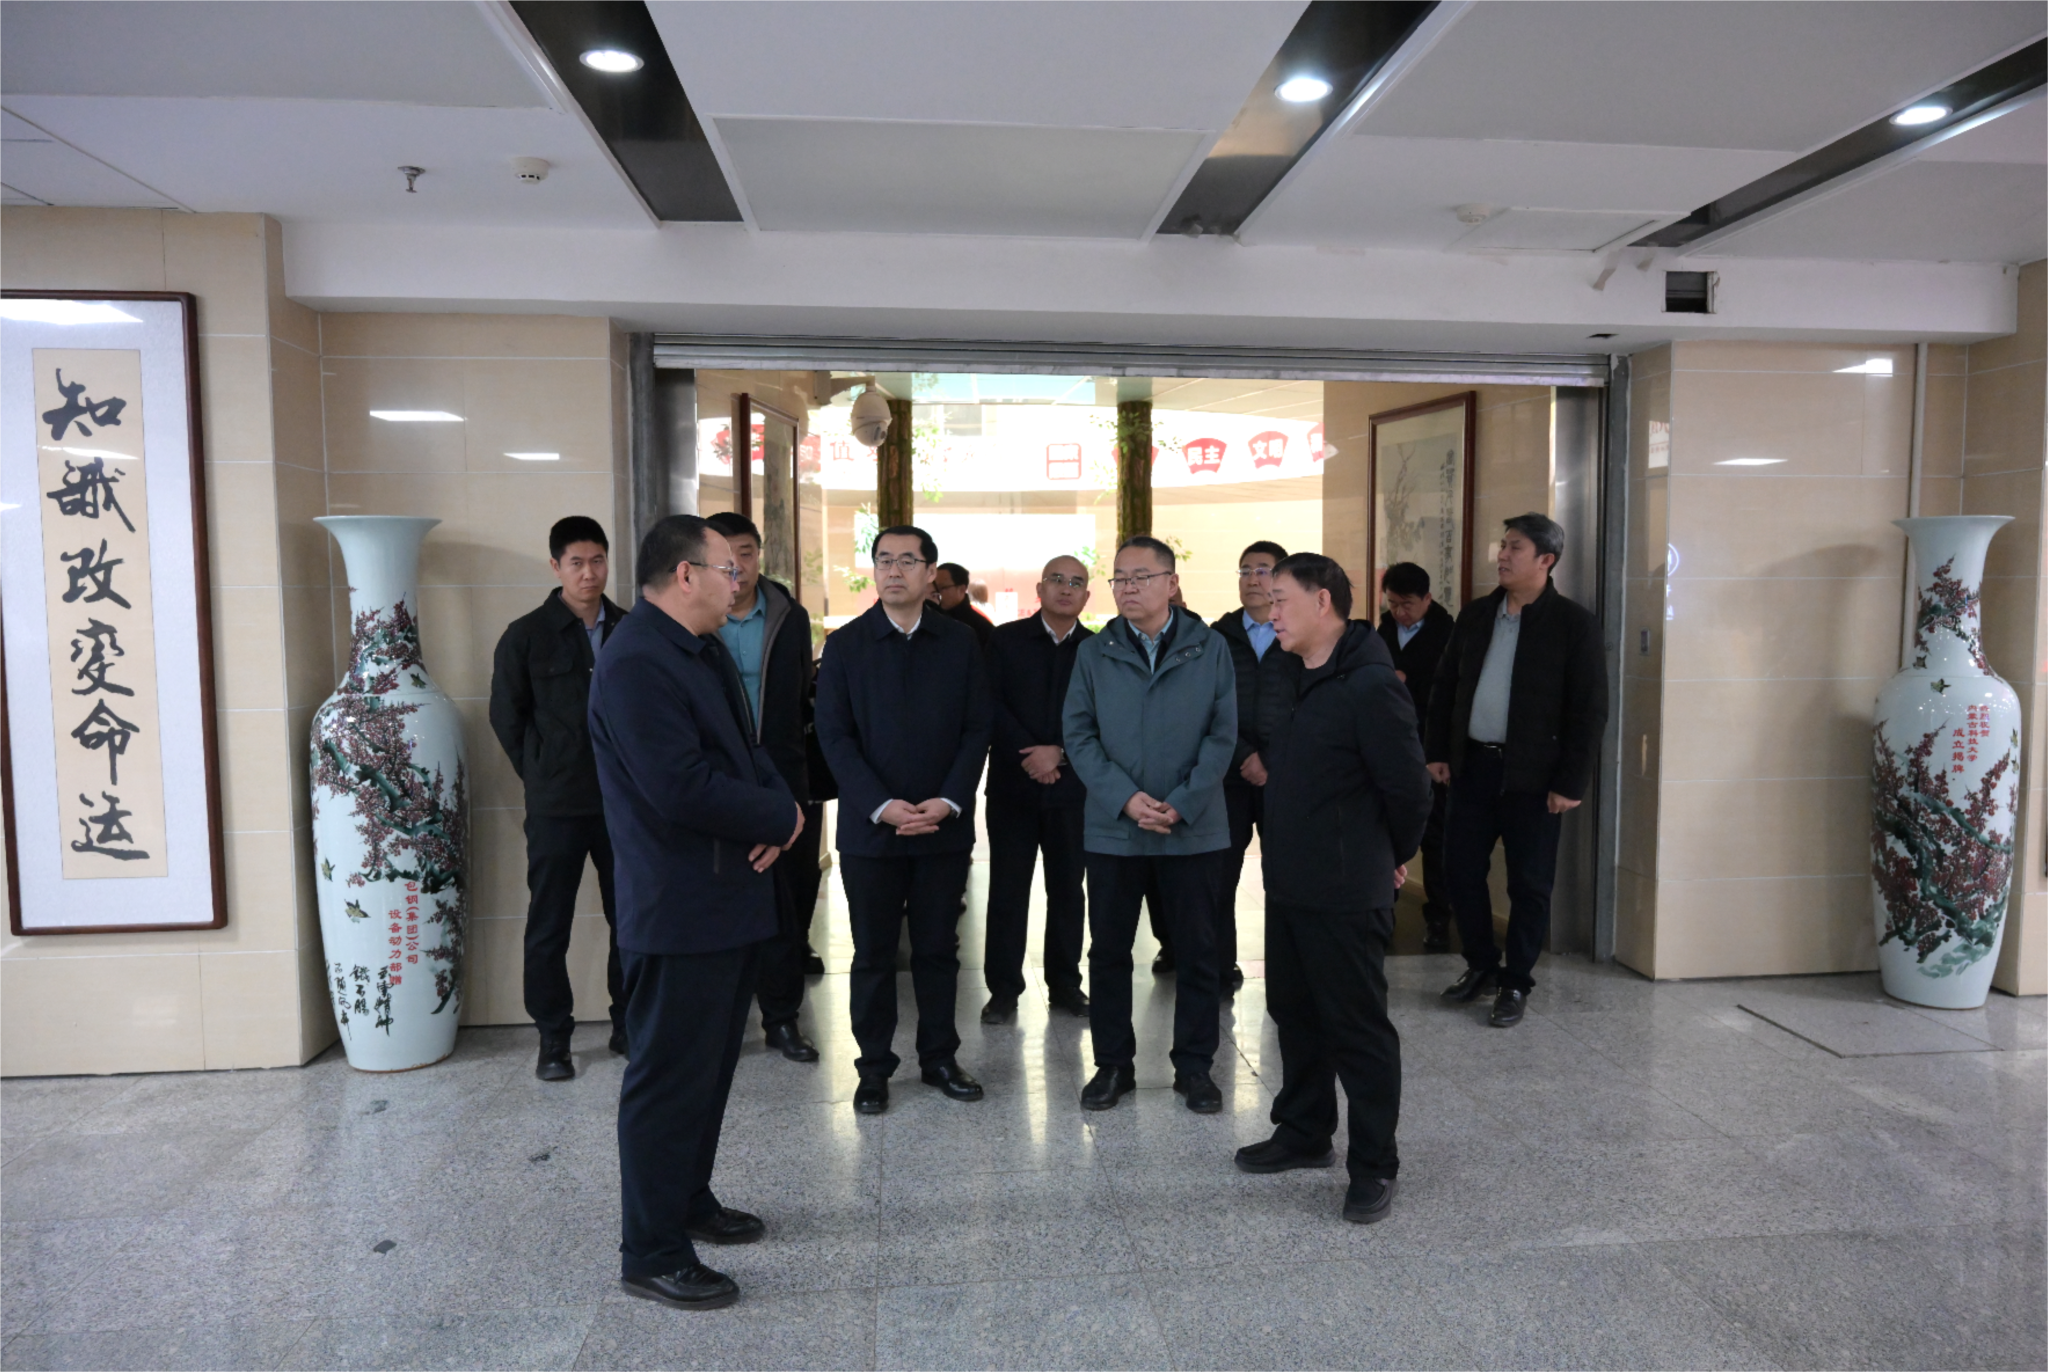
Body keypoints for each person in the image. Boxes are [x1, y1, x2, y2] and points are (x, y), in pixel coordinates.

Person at [590, 515, 805, 1312]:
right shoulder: (636, 662)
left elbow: (749, 752)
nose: (738, 581)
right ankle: (650, 1250)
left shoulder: (698, 648)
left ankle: (687, 1199)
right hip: (679, 904)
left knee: (709, 1071)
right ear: (685, 575)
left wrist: (783, 809)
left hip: (728, 895)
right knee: (668, 1080)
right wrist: (776, 818)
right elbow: (677, 786)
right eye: (726, 569)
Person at [1235, 553, 1431, 1224]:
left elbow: (1409, 790)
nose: (1271, 611)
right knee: (1295, 1013)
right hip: (1291, 880)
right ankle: (1304, 1132)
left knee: (1356, 1028)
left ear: (1323, 602)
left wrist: (1388, 855)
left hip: (1347, 887)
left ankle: (1374, 1163)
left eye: (1281, 599)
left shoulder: (1370, 684)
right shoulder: (1291, 671)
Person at [815, 526, 993, 1115]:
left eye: (907, 561)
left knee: (939, 949)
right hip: (872, 830)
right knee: (873, 953)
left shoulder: (960, 642)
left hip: (943, 825)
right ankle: (873, 1068)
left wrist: (949, 799)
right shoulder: (846, 645)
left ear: (930, 573)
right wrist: (881, 805)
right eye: (884, 560)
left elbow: (977, 726)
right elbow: (834, 736)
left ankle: (939, 1057)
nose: (894, 570)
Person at [1063, 535, 1238, 1114]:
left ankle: (1195, 1067)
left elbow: (1223, 734)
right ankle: (1113, 1065)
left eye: (1141, 576)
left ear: (1172, 583)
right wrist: (1126, 799)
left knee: (1198, 951)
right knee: (1109, 951)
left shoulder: (1210, 647)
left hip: (1193, 828)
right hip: (1115, 829)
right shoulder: (1095, 652)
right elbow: (1079, 735)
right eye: (1119, 578)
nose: (1128, 587)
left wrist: (1183, 802)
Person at [1427, 514, 1607, 1028]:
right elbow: (1445, 687)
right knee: (1460, 871)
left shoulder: (1572, 624)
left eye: (1515, 547)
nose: (1502, 556)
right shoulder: (1477, 615)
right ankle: (1481, 965)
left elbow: (1589, 710)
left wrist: (1570, 782)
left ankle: (1516, 981)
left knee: (1529, 884)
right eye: (1502, 545)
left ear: (1546, 560)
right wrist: (1436, 750)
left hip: (1535, 777)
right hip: (1473, 766)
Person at [488, 515, 628, 1082]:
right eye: (576, 563)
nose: (589, 573)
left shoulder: (631, 630)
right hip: (557, 807)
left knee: (632, 918)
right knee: (549, 925)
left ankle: (629, 1024)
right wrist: (541, 772)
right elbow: (506, 716)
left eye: (597, 561)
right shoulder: (526, 635)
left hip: (624, 804)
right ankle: (553, 1038)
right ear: (556, 567)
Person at [705, 512, 825, 1063]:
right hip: (715, 778)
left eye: (747, 552)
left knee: (788, 899)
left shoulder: (788, 615)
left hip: (782, 775)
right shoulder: (691, 619)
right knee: (720, 897)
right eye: (726, 555)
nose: (738, 565)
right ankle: (720, 1022)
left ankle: (781, 1018)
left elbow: (801, 696)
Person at [980, 555, 1094, 1025]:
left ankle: (1065, 984)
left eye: (1076, 582)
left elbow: (1104, 716)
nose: (1066, 588)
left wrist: (1059, 753)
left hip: (1074, 790)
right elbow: (987, 704)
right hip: (1013, 786)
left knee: (1068, 889)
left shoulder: (1097, 649)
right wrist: (1031, 754)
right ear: (1040, 590)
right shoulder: (1004, 641)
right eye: (1057, 580)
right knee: (1008, 890)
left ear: (1087, 596)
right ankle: (1003, 990)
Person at [1210, 539, 1296, 993]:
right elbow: (1208, 706)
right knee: (1220, 876)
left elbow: (1308, 708)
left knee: (1284, 878)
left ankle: (1286, 973)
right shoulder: (1217, 637)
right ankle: (1221, 969)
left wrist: (1270, 759)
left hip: (1285, 777)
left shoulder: (1297, 633)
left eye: (1262, 570)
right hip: (1229, 775)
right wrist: (1244, 755)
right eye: (1245, 570)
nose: (1251, 579)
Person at [1376, 562, 1458, 953]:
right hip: (1388, 746)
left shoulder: (1448, 633)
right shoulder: (1382, 631)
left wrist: (1406, 682)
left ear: (1427, 598)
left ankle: (1439, 918)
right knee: (1384, 831)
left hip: (1429, 750)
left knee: (1435, 837)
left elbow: (1451, 693)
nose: (1399, 612)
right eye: (1392, 603)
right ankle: (1382, 910)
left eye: (1407, 604)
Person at [933, 561, 994, 646]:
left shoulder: (980, 627)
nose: (936, 593)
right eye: (933, 588)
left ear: (962, 589)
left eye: (942, 588)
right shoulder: (931, 618)